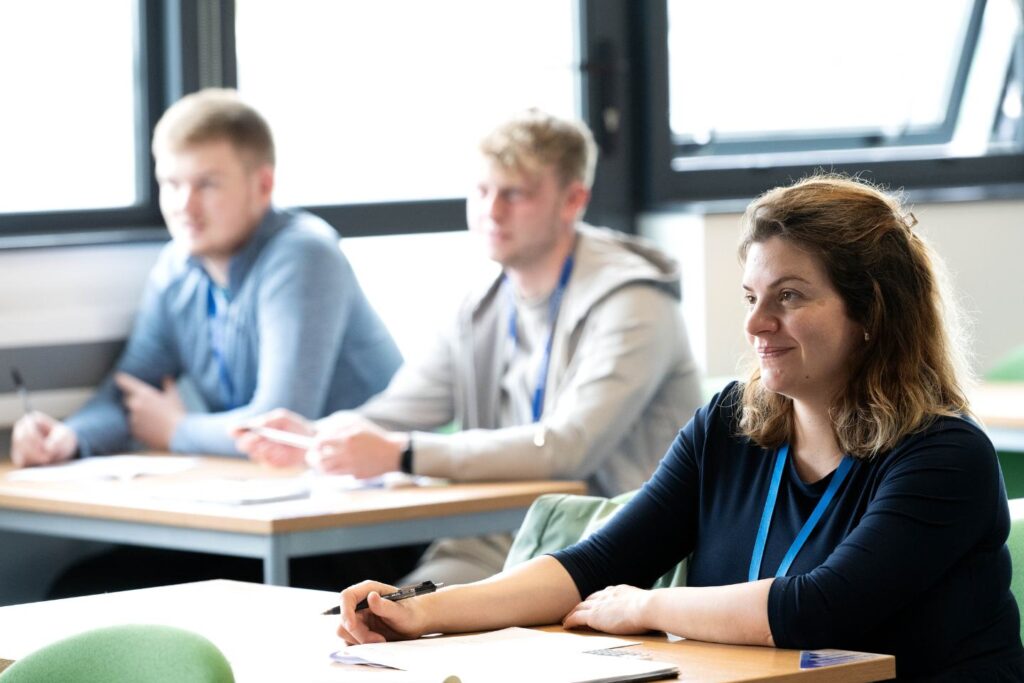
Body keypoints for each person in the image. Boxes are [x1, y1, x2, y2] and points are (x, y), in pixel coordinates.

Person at [334, 175, 1024, 681]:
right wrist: (426, 610)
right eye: (754, 298)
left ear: (871, 311)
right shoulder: (729, 425)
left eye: (790, 297)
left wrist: (646, 606)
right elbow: (593, 565)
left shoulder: (944, 455)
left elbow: (821, 609)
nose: (756, 325)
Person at [236, 109, 703, 586]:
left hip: (609, 548)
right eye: (482, 191)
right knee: (374, 617)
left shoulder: (635, 302)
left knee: (418, 623)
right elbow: (399, 411)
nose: (491, 211)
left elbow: (568, 447)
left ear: (573, 200)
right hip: (498, 538)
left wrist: (404, 454)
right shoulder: (483, 304)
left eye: (515, 194)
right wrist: (313, 436)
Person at [9, 88, 404, 598]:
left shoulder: (303, 255)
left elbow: (280, 423)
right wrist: (68, 437)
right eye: (170, 183)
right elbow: (127, 391)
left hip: (356, 530)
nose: (183, 205)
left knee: (96, 590)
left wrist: (175, 429)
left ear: (262, 185)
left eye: (206, 185)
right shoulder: (178, 268)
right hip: (261, 521)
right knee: (82, 587)